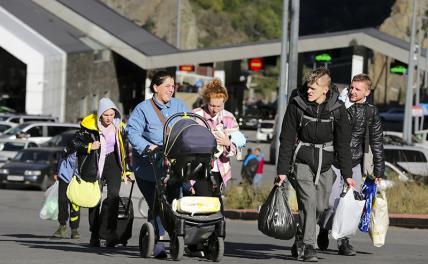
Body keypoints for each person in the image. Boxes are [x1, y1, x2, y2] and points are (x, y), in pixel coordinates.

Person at [276, 68, 354, 262]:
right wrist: (282, 170)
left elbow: (343, 144)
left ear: (325, 89)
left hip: (326, 164)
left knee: (321, 207)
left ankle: (301, 235)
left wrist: (347, 174)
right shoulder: (297, 104)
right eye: (308, 87)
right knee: (308, 203)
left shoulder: (338, 109)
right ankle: (310, 247)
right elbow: (286, 138)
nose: (309, 91)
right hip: (302, 161)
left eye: (314, 88)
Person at [317, 73, 384, 256]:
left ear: (367, 92)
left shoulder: (371, 112)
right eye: (352, 87)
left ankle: (344, 242)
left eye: (358, 89)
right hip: (333, 160)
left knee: (351, 204)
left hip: (354, 162)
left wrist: (378, 169)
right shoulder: (339, 106)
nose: (353, 92)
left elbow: (377, 141)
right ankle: (324, 228)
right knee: (330, 203)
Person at [126, 71, 188, 258]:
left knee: (172, 204)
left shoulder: (179, 105)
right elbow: (132, 132)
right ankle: (158, 243)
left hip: (174, 168)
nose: (172, 89)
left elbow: (189, 125)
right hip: (149, 168)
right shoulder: (143, 109)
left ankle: (173, 237)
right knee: (157, 205)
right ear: (155, 87)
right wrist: (148, 147)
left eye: (173, 85)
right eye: (167, 86)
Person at [70, 97, 131, 247]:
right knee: (94, 200)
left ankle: (109, 232)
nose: (109, 118)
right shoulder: (89, 127)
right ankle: (94, 234)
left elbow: (124, 150)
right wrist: (90, 146)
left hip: (113, 163)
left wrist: (126, 171)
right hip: (95, 163)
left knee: (114, 197)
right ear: (99, 115)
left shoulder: (120, 127)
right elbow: (74, 143)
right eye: (106, 115)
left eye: (112, 115)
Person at [192, 79, 240, 198]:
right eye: (212, 105)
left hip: (220, 170)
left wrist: (228, 144)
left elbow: (238, 147)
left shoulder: (229, 118)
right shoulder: (195, 115)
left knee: (216, 206)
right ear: (206, 101)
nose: (215, 109)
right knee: (204, 203)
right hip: (199, 168)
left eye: (219, 106)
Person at [52, 147, 80, 239]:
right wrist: (56, 171)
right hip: (64, 175)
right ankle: (62, 226)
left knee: (75, 203)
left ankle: (74, 229)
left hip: (77, 177)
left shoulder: (87, 144)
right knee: (62, 200)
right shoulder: (70, 143)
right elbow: (61, 157)